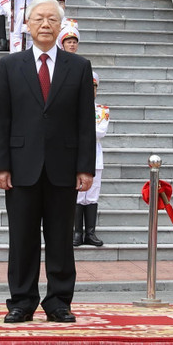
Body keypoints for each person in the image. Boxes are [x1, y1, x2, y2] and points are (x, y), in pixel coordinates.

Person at [0, 0, 96, 324]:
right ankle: (21, 302)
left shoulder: (78, 67)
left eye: (52, 19)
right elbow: (1, 119)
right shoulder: (10, 66)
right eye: (39, 19)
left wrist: (85, 167)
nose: (46, 25)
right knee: (21, 238)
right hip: (21, 168)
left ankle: (59, 301)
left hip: (63, 168)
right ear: (28, 25)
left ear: (61, 25)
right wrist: (0, 165)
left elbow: (85, 122)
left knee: (61, 239)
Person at [74, 70, 108, 247]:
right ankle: (77, 232)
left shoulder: (101, 110)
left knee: (92, 195)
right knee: (79, 196)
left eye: (93, 87)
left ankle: (90, 232)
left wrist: (82, 130)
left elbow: (100, 132)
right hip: (77, 156)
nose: (91, 90)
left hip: (95, 157)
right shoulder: (73, 107)